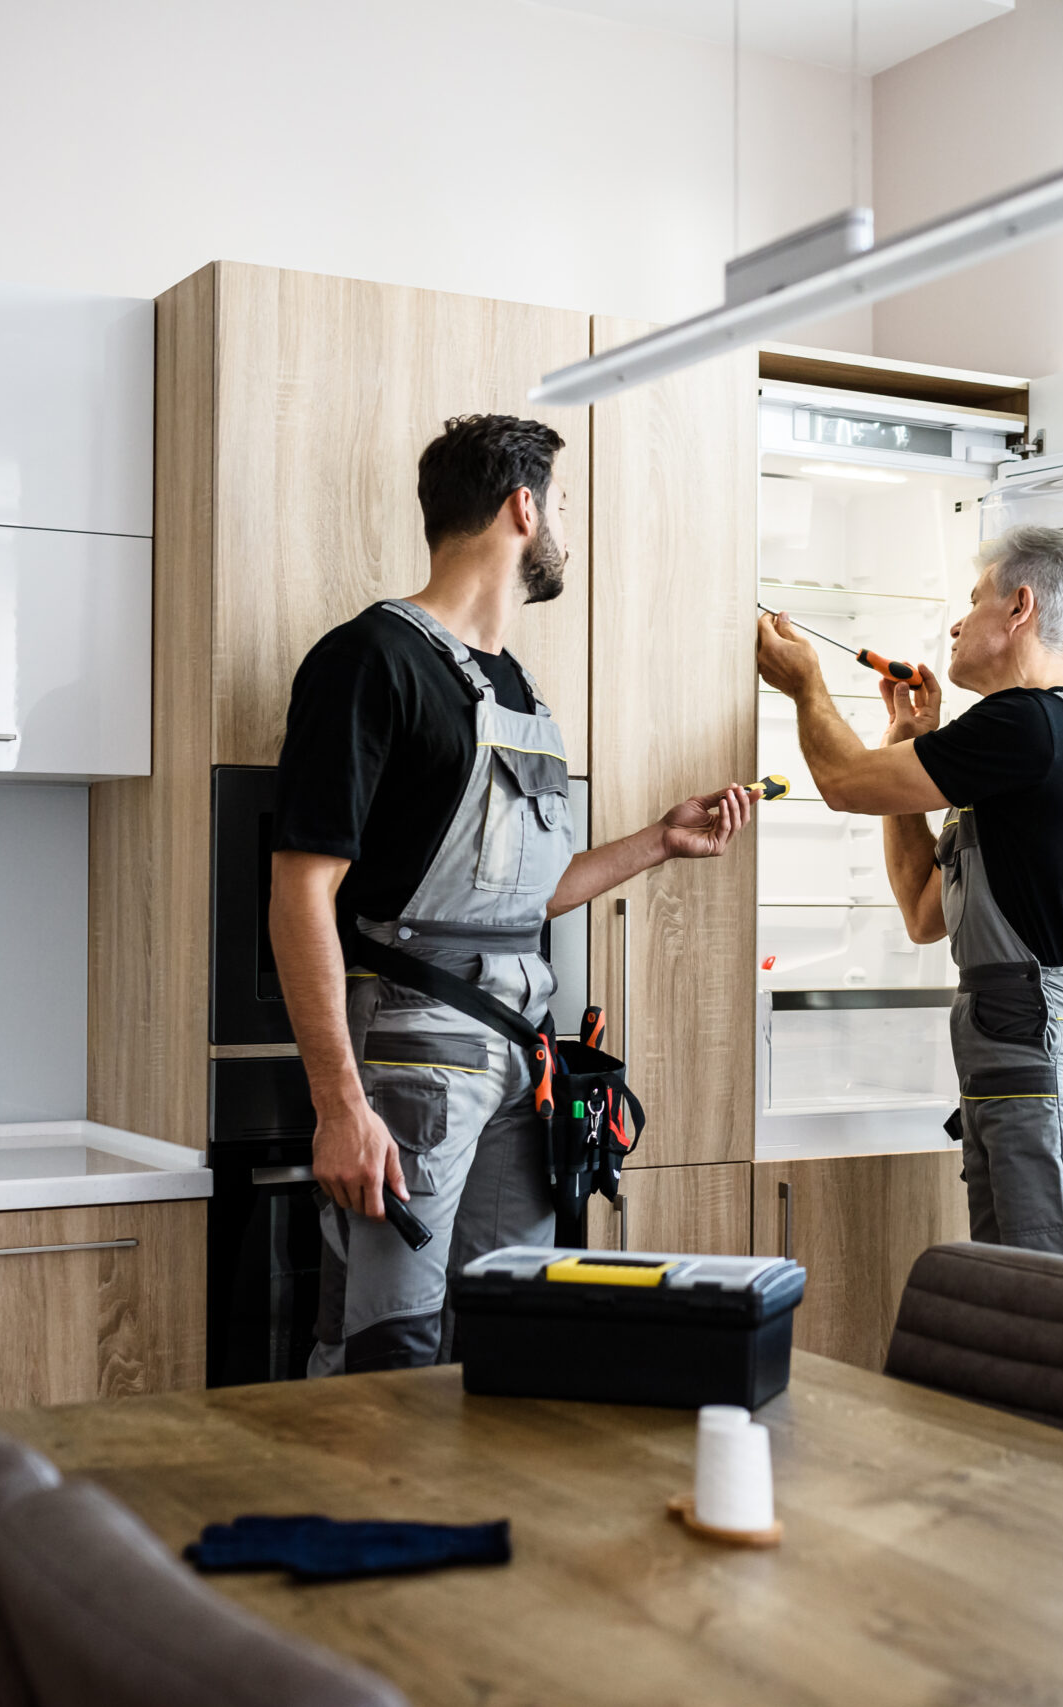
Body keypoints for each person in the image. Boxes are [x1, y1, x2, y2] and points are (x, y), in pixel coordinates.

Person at [267, 413, 754, 1373]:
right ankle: (373, 1524)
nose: (565, 521)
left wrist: (657, 842)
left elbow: (520, 897)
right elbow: (299, 895)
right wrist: (338, 1104)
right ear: (523, 507)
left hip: (521, 1052)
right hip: (413, 1052)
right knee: (388, 1341)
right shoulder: (368, 662)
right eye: (562, 501)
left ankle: (481, 1523)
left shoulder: (521, 690)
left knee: (507, 1336)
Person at [755, 525, 1063, 1261]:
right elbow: (924, 913)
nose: (957, 623)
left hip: (1042, 1060)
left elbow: (841, 784)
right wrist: (905, 735)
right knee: (1013, 1300)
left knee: (1056, 1304)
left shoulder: (1032, 723)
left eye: (973, 602)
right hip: (1011, 1065)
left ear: (1020, 607)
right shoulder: (1040, 738)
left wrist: (806, 682)